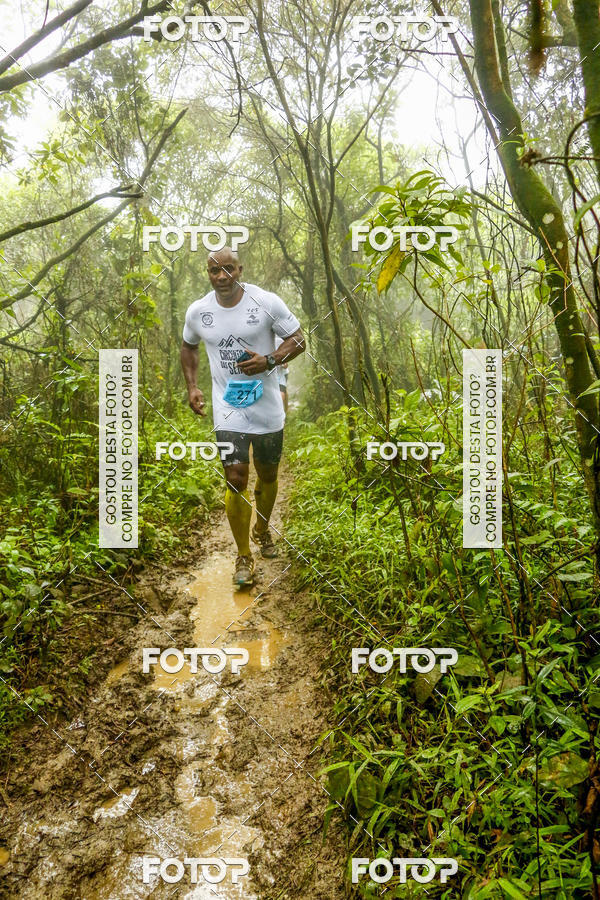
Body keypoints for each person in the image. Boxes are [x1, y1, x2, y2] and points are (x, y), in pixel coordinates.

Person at [180, 247, 305, 586]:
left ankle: (262, 528)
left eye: (228, 269)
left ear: (240, 269)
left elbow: (298, 339)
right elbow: (188, 346)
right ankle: (243, 557)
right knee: (235, 479)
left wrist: (271, 360)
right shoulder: (198, 311)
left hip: (265, 405)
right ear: (207, 273)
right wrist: (193, 386)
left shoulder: (266, 302)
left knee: (267, 474)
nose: (221, 277)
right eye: (214, 271)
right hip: (227, 405)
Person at [275, 335, 289, 412]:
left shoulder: (281, 339)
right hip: (272, 373)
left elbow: (286, 364)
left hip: (282, 373)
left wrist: (284, 363)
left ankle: (285, 410)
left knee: (283, 392)